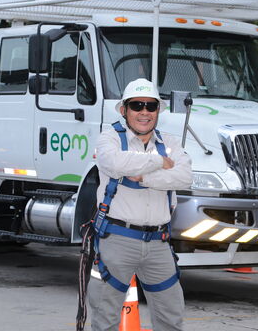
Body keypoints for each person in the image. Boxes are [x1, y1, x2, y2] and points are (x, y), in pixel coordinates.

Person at [88, 78, 193, 331]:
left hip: (159, 243)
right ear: (124, 110)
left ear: (158, 110)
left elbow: (184, 177)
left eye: (150, 106)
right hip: (117, 239)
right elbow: (114, 163)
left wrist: (144, 177)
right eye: (137, 105)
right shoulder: (109, 138)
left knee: (171, 315)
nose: (144, 112)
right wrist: (160, 162)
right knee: (105, 317)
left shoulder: (171, 142)